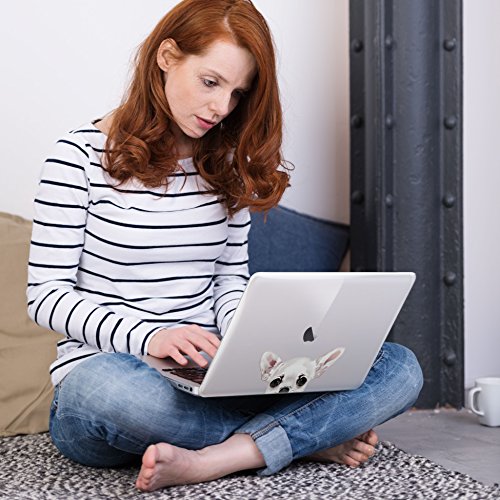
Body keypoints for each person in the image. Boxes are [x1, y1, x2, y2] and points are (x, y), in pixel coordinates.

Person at [27, 0, 423, 492]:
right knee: (104, 392)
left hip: (211, 381)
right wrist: (150, 338)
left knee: (400, 368)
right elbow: (45, 296)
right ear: (167, 57)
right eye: (210, 82)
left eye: (237, 93)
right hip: (112, 377)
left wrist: (244, 337)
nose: (222, 108)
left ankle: (222, 456)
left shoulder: (226, 167)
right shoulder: (77, 158)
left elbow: (228, 280)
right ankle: (299, 438)